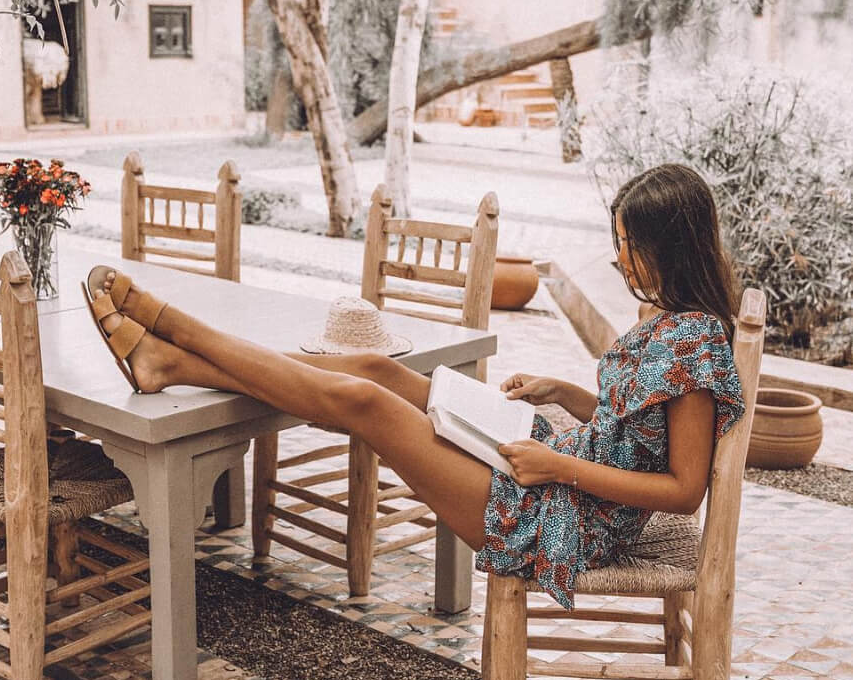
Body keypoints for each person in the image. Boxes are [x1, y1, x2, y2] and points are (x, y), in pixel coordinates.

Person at [83, 162, 745, 609]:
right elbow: (639, 430)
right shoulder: (673, 321)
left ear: (670, 248)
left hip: (561, 517)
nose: (618, 256)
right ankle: (168, 364)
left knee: (367, 404)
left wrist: (555, 467)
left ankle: (178, 335)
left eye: (628, 244)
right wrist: (566, 395)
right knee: (376, 370)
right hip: (552, 463)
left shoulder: (698, 345)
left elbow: (684, 491)